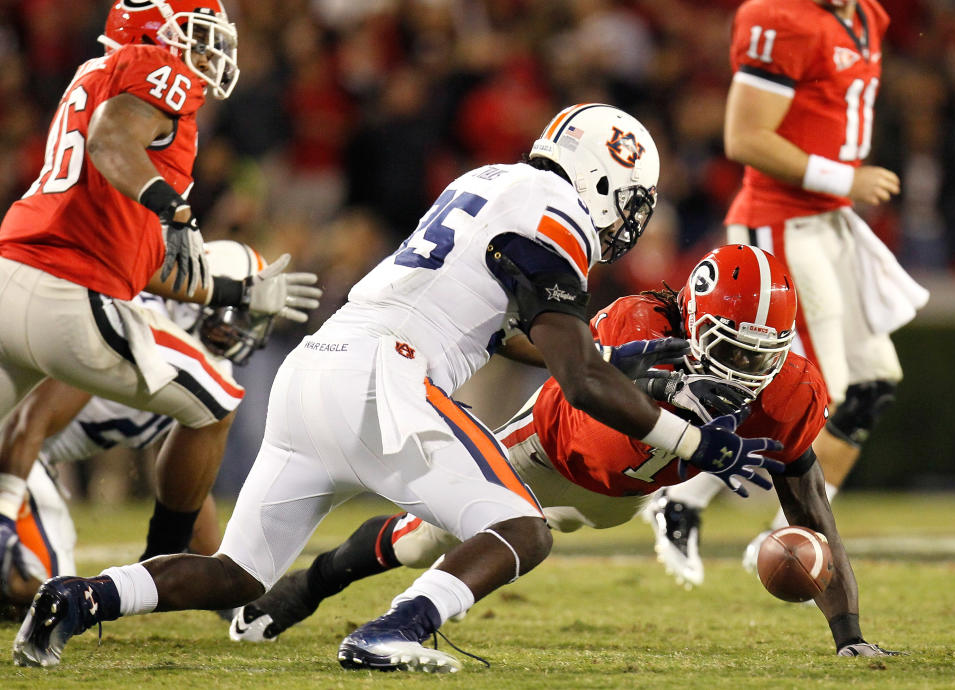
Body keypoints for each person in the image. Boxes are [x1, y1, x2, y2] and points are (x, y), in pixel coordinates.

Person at [13, 103, 783, 672]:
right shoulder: (560, 214)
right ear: (607, 178)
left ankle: (81, 599)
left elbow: (505, 329)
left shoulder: (491, 181)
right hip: (385, 379)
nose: (628, 220)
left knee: (237, 575)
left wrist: (613, 363)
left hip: (315, 369)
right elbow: (577, 376)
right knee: (522, 528)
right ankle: (394, 630)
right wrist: (691, 439)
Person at [230, 244, 899, 659]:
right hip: (545, 450)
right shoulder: (639, 322)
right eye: (728, 350)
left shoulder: (789, 392)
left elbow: (813, 513)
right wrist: (662, 382)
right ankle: (312, 585)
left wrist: (849, 636)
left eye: (761, 356)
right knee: (418, 539)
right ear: (693, 324)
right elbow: (586, 382)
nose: (745, 372)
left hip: (622, 497)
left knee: (508, 530)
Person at [0, 1, 321, 599]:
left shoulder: (96, 75)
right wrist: (173, 208)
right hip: (65, 294)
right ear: (155, 35)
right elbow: (110, 141)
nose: (209, 53)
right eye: (197, 37)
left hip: (15, 272)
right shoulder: (151, 68)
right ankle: (153, 572)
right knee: (218, 400)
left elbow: (136, 259)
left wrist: (233, 290)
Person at [644, 0, 929, 586]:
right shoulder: (781, 17)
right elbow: (745, 137)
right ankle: (683, 499)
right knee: (812, 388)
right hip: (781, 221)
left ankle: (785, 531)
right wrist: (843, 176)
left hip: (831, 223)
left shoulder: (868, 15)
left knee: (869, 387)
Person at [0, 241, 275, 615]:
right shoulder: (127, 325)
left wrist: (226, 586)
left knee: (45, 591)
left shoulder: (203, 368)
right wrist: (5, 508)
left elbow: (186, 485)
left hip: (33, 462)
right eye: (236, 315)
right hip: (12, 459)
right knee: (46, 588)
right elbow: (26, 421)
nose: (243, 331)